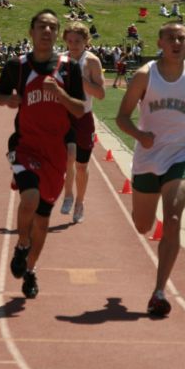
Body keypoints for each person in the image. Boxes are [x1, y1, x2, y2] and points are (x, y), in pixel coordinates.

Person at [115, 22, 185, 317]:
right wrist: (139, 135)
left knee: (172, 218)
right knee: (143, 225)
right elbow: (122, 117)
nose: (176, 42)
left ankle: (159, 291)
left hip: (179, 154)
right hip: (147, 158)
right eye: (170, 37)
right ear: (159, 42)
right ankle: (142, 217)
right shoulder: (144, 76)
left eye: (181, 37)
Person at [0, 10, 86, 298]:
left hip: (55, 151)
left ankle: (30, 271)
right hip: (25, 145)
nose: (46, 30)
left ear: (57, 34)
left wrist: (60, 94)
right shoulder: (17, 66)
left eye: (52, 26)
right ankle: (22, 245)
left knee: (43, 220)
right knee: (29, 198)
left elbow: (80, 109)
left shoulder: (69, 68)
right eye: (41, 26)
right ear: (32, 31)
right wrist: (8, 99)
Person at [59, 22, 105, 223]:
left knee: (81, 165)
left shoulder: (92, 61)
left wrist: (80, 77)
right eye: (69, 41)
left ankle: (80, 201)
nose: (73, 45)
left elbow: (101, 93)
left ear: (86, 41)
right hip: (63, 117)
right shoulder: (60, 60)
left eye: (78, 41)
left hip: (84, 117)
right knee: (68, 158)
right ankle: (68, 195)